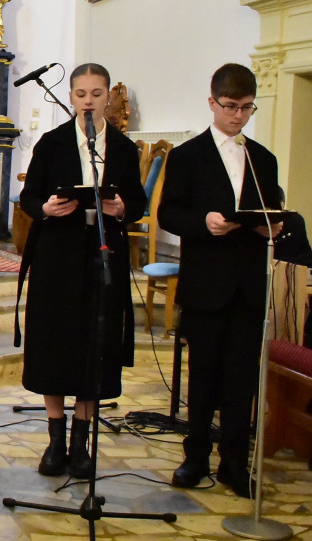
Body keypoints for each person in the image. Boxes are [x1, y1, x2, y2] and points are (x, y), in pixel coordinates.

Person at [17, 63, 146, 479]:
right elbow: (29, 195)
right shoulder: (52, 143)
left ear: (109, 96)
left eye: (96, 93)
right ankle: (55, 440)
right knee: (55, 342)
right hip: (58, 254)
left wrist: (124, 207)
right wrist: (46, 209)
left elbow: (139, 202)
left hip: (102, 253)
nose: (88, 101)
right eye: (81, 94)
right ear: (70, 97)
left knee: (96, 343)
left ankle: (81, 440)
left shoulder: (124, 148)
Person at [159, 63, 283, 498]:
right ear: (212, 102)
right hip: (207, 281)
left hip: (248, 283)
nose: (239, 116)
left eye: (247, 108)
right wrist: (204, 222)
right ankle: (195, 457)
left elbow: (272, 210)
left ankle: (234, 461)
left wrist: (272, 227)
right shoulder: (188, 155)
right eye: (230, 107)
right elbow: (169, 213)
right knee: (204, 374)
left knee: (240, 377)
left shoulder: (263, 159)